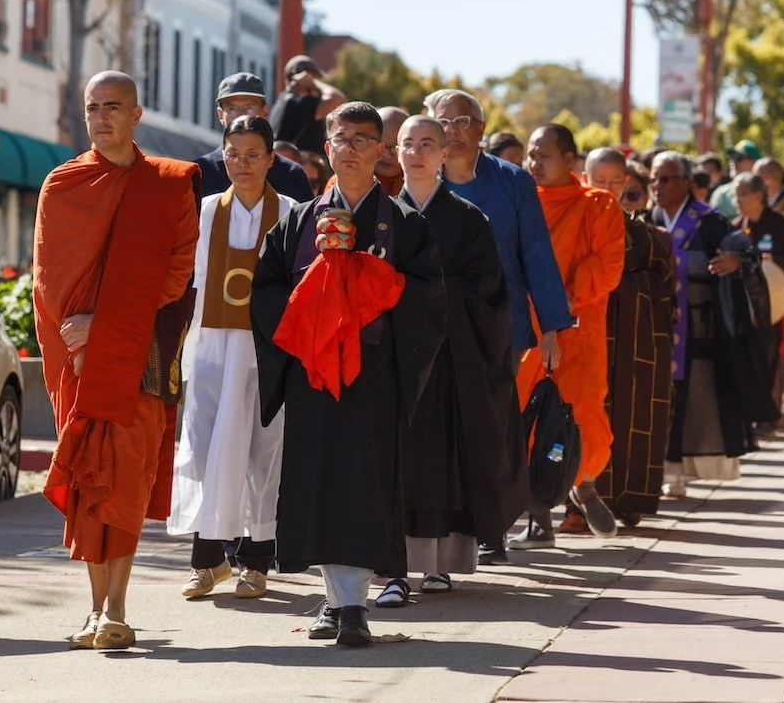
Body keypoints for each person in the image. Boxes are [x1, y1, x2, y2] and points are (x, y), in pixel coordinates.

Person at [251, 101, 445, 647]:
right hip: (313, 373)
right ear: (327, 148)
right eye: (342, 138)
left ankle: (354, 605)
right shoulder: (296, 222)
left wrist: (363, 274)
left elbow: (428, 299)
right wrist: (317, 290)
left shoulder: (405, 225)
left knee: (363, 483)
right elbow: (264, 292)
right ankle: (336, 603)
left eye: (364, 140)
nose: (352, 149)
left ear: (381, 151)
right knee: (316, 483)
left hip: (372, 374)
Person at [34, 70, 201, 650]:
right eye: (92, 107)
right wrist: (83, 341)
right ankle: (93, 609)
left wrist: (106, 327)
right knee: (90, 477)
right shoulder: (64, 184)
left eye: (113, 106)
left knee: (127, 476)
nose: (101, 117)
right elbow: (49, 280)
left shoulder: (169, 185)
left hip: (141, 350)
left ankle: (117, 611)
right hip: (80, 355)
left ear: (136, 114)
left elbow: (176, 274)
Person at [374, 116, 525, 607]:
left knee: (444, 457)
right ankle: (393, 560)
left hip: (449, 361)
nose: (416, 153)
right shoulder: (382, 214)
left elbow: (489, 291)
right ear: (394, 152)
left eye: (427, 145)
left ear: (444, 153)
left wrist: (425, 294)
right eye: (407, 144)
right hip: (396, 358)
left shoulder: (468, 218)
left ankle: (440, 562)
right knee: (396, 458)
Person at [426, 88, 573, 565]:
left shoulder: (512, 182)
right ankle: (440, 528)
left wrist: (550, 327)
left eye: (462, 121)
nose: (452, 130)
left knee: (491, 425)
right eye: (443, 121)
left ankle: (491, 526)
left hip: (498, 327)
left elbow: (536, 253)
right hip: (432, 326)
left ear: (481, 128)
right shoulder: (421, 177)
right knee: (440, 427)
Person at [168, 115, 296, 602]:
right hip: (212, 348)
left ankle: (256, 562)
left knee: (262, 454)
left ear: (271, 159)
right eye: (233, 153)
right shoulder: (203, 211)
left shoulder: (290, 213)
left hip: (266, 353)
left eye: (253, 154)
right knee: (205, 451)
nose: (242, 163)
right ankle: (208, 561)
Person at [511, 126, 625, 547]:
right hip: (528, 329)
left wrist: (562, 304)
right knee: (525, 415)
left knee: (583, 416)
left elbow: (607, 268)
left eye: (543, 155)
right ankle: (539, 516)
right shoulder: (519, 202)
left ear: (570, 161)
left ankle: (585, 487)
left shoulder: (597, 204)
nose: (534, 163)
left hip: (577, 329)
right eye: (531, 154)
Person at [566, 147, 675, 530]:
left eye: (616, 183)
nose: (608, 190)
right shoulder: (572, 219)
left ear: (628, 183)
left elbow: (667, 287)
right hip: (582, 330)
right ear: (584, 178)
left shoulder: (648, 235)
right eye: (600, 181)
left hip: (636, 338)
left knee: (633, 414)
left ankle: (630, 499)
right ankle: (575, 501)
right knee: (576, 414)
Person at [648, 152, 768, 496]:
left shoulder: (710, 221)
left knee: (693, 399)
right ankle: (657, 470)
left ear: (688, 183)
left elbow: (745, 248)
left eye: (667, 179)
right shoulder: (647, 218)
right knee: (656, 399)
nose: (658, 186)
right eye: (654, 179)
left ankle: (679, 473)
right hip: (655, 327)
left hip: (698, 327)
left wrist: (737, 261)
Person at [732, 171, 784, 434]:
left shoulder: (782, 224)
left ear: (759, 195)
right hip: (745, 306)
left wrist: (777, 262)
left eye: (743, 194)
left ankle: (769, 414)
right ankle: (748, 414)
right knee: (747, 359)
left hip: (776, 305)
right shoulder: (735, 228)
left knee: (773, 359)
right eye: (735, 195)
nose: (737, 200)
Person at [195, 72, 314, 201]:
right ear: (220, 115)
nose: (241, 114)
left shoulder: (291, 174)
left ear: (265, 111)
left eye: (250, 106)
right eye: (232, 108)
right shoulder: (201, 172)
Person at [268, 55, 346, 155]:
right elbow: (338, 100)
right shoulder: (301, 103)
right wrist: (313, 82)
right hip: (301, 163)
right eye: (316, 78)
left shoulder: (282, 101)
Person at [707, 139, 762, 220]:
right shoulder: (721, 195)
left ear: (755, 162)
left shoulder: (767, 192)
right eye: (731, 157)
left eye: (739, 158)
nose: (733, 161)